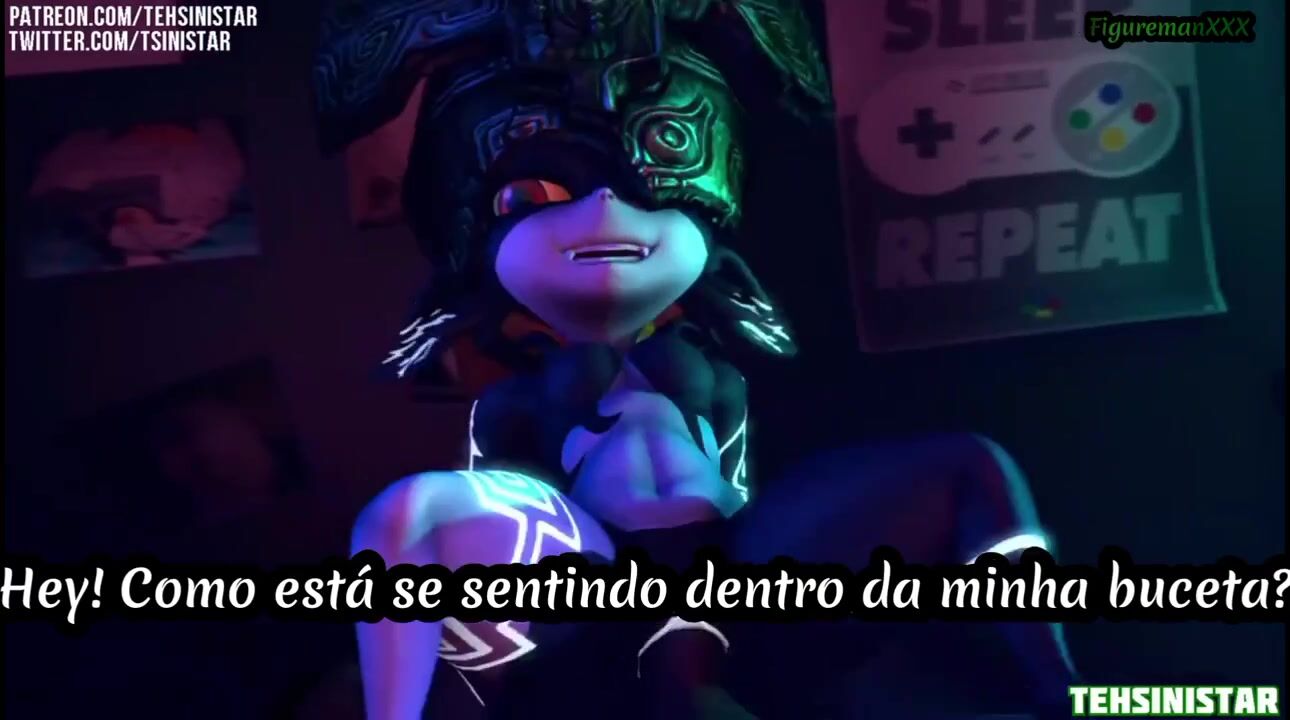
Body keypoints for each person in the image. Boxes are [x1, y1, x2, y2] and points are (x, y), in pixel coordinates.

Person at [314, 1, 1078, 718]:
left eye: (654, 188)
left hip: (737, 552)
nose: (606, 211)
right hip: (602, 569)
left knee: (974, 465)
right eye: (537, 193)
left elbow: (736, 475)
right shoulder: (516, 401)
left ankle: (1062, 690)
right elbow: (498, 514)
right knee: (409, 515)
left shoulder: (708, 370)